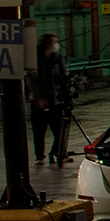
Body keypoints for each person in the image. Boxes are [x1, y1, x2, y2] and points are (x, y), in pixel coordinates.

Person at [28, 33, 73, 166]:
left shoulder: (58, 58)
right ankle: (39, 156)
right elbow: (32, 79)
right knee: (39, 130)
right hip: (40, 101)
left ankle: (58, 152)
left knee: (59, 130)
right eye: (55, 42)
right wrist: (38, 97)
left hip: (56, 100)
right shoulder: (36, 60)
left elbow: (64, 75)